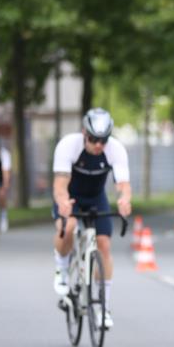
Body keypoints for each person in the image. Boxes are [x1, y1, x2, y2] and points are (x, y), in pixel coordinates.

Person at [52, 108, 132, 330]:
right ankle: (61, 268)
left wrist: (124, 200)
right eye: (94, 139)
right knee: (67, 227)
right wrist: (63, 202)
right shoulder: (69, 146)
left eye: (103, 140)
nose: (99, 144)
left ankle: (103, 307)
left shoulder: (115, 150)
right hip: (70, 196)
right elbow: (59, 184)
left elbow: (123, 186)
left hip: (96, 198)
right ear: (84, 133)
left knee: (104, 245)